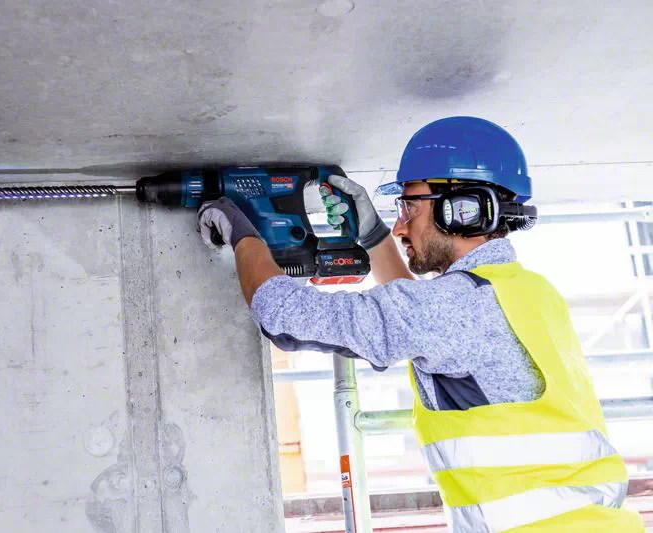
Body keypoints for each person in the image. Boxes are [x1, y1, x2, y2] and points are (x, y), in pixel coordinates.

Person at [197, 117, 644, 531]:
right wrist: (374, 238)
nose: (400, 227)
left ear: (462, 210)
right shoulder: (526, 291)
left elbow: (283, 315)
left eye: (409, 208)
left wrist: (244, 233)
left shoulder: (457, 308)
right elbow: (431, 320)